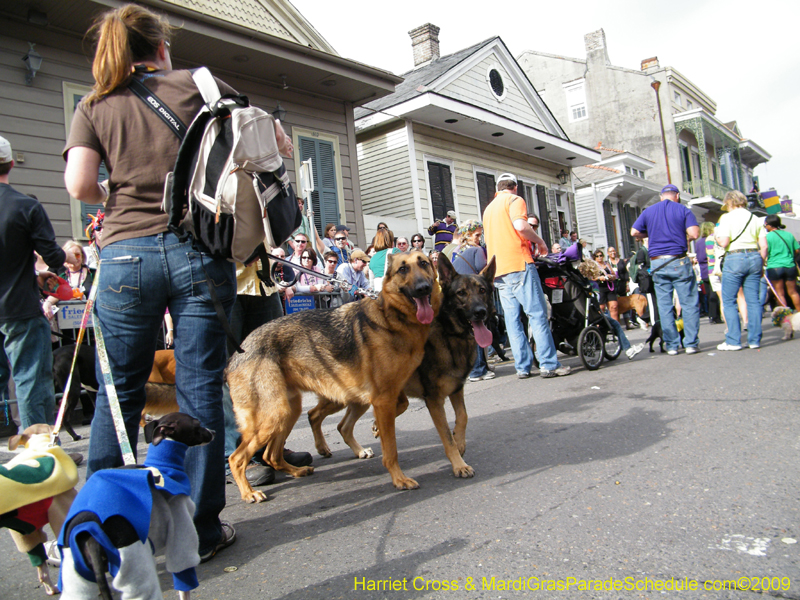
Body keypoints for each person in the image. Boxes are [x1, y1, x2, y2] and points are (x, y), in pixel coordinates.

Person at [61, 4, 293, 561]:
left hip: (123, 256)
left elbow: (78, 185)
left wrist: (118, 194)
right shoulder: (200, 86)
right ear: (160, 47)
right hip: (198, 249)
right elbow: (276, 142)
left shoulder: (94, 104)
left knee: (118, 395)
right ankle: (200, 530)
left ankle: (103, 527)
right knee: (199, 389)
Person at [0, 134, 66, 430]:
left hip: (16, 298)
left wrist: (33, 274)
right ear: (11, 163)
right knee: (30, 379)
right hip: (18, 308)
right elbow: (55, 255)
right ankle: (37, 452)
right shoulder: (25, 206)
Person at [483, 173, 571, 379]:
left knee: (513, 321)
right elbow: (521, 226)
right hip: (519, 264)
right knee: (537, 315)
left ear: (498, 188)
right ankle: (549, 364)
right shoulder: (515, 200)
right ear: (514, 187)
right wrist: (540, 242)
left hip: (498, 270)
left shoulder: (489, 209)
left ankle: (523, 367)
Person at [631, 184, 700, 355]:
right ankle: (690, 343)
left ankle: (671, 345)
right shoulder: (683, 210)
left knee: (664, 305)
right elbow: (695, 233)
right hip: (678, 260)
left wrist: (649, 235)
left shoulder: (649, 211)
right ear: (676, 196)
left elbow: (634, 232)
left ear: (661, 197)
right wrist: (682, 235)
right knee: (688, 303)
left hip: (657, 263)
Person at [714, 190, 767, 350]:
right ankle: (754, 339)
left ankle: (733, 340)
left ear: (729, 202)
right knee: (753, 300)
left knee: (729, 300)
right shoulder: (755, 218)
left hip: (735, 257)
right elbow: (764, 246)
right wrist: (761, 263)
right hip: (754, 256)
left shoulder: (726, 218)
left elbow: (724, 242)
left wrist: (716, 235)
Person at [451, 220, 493, 382]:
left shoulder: (457, 250)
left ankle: (472, 368)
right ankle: (478, 370)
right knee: (478, 329)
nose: (479, 238)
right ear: (468, 235)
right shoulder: (476, 250)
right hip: (473, 297)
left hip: (458, 297)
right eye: (477, 235)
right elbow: (483, 270)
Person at [763, 215, 800, 311]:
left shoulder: (767, 237)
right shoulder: (789, 235)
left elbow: (765, 251)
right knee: (793, 292)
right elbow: (797, 250)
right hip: (790, 266)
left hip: (775, 266)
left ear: (769, 225)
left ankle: (786, 318)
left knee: (780, 294)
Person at [592, 250, 619, 324]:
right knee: (601, 308)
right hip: (599, 288)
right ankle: (601, 326)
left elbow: (614, 275)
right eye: (597, 256)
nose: (599, 257)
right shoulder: (594, 265)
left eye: (601, 255)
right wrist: (599, 278)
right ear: (595, 257)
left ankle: (616, 326)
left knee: (614, 307)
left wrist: (611, 276)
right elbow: (590, 277)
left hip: (610, 287)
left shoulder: (606, 264)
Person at [607, 247, 631, 328]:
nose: (613, 253)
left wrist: (627, 284)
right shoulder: (607, 263)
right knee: (614, 304)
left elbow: (625, 273)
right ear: (608, 253)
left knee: (624, 303)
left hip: (621, 284)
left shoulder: (621, 261)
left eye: (614, 251)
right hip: (612, 285)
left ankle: (628, 322)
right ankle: (616, 323)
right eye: (610, 251)